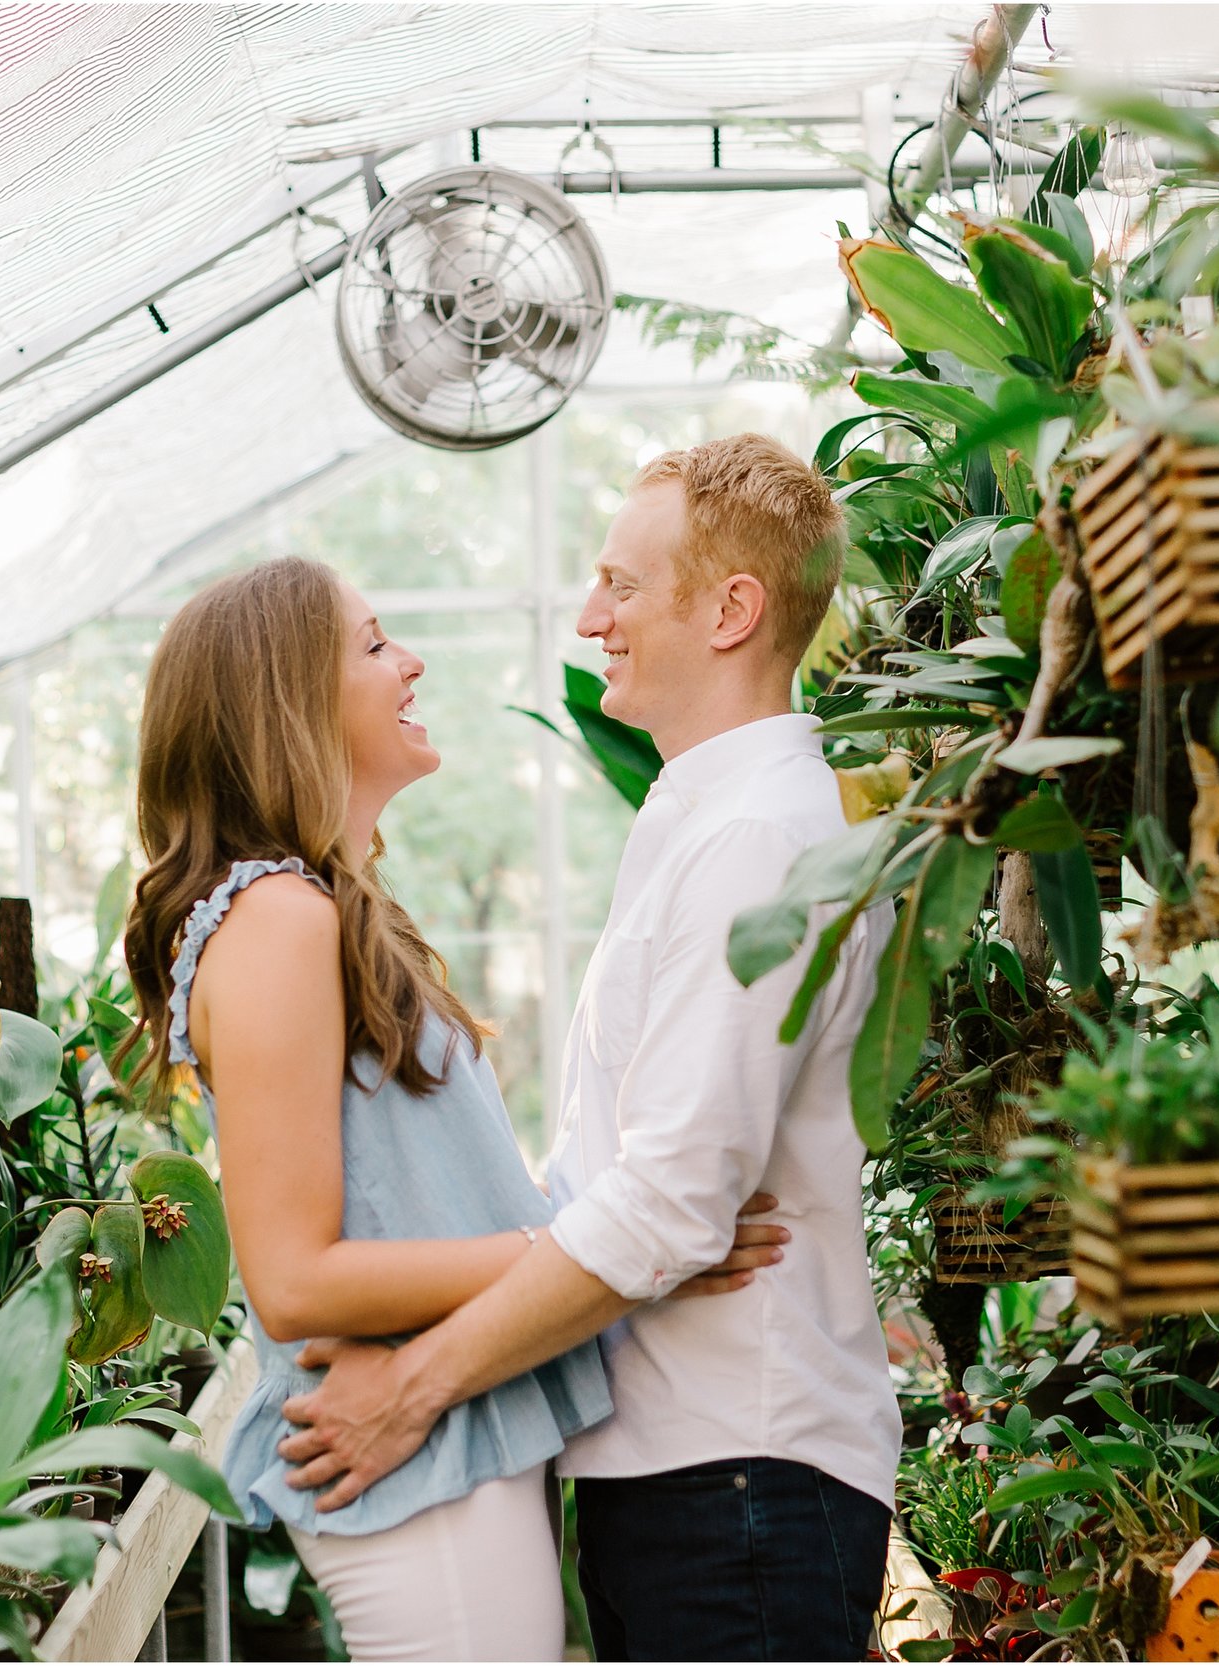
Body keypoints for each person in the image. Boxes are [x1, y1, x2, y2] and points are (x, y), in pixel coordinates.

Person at [275, 435, 900, 1661]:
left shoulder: (752, 842)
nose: (588, 614)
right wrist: (616, 1227)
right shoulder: (705, 819)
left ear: (731, 610)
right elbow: (644, 1193)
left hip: (739, 1475)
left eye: (620, 583)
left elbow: (670, 1204)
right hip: (692, 1472)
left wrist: (412, 1388)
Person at [121, 556, 786, 1663]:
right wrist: (589, 1251)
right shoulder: (280, 919)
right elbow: (291, 1281)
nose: (410, 660)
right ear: (287, 700)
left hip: (440, 1446)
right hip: (405, 1467)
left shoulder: (318, 908)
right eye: (375, 643)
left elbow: (431, 1200)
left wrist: (635, 1246)